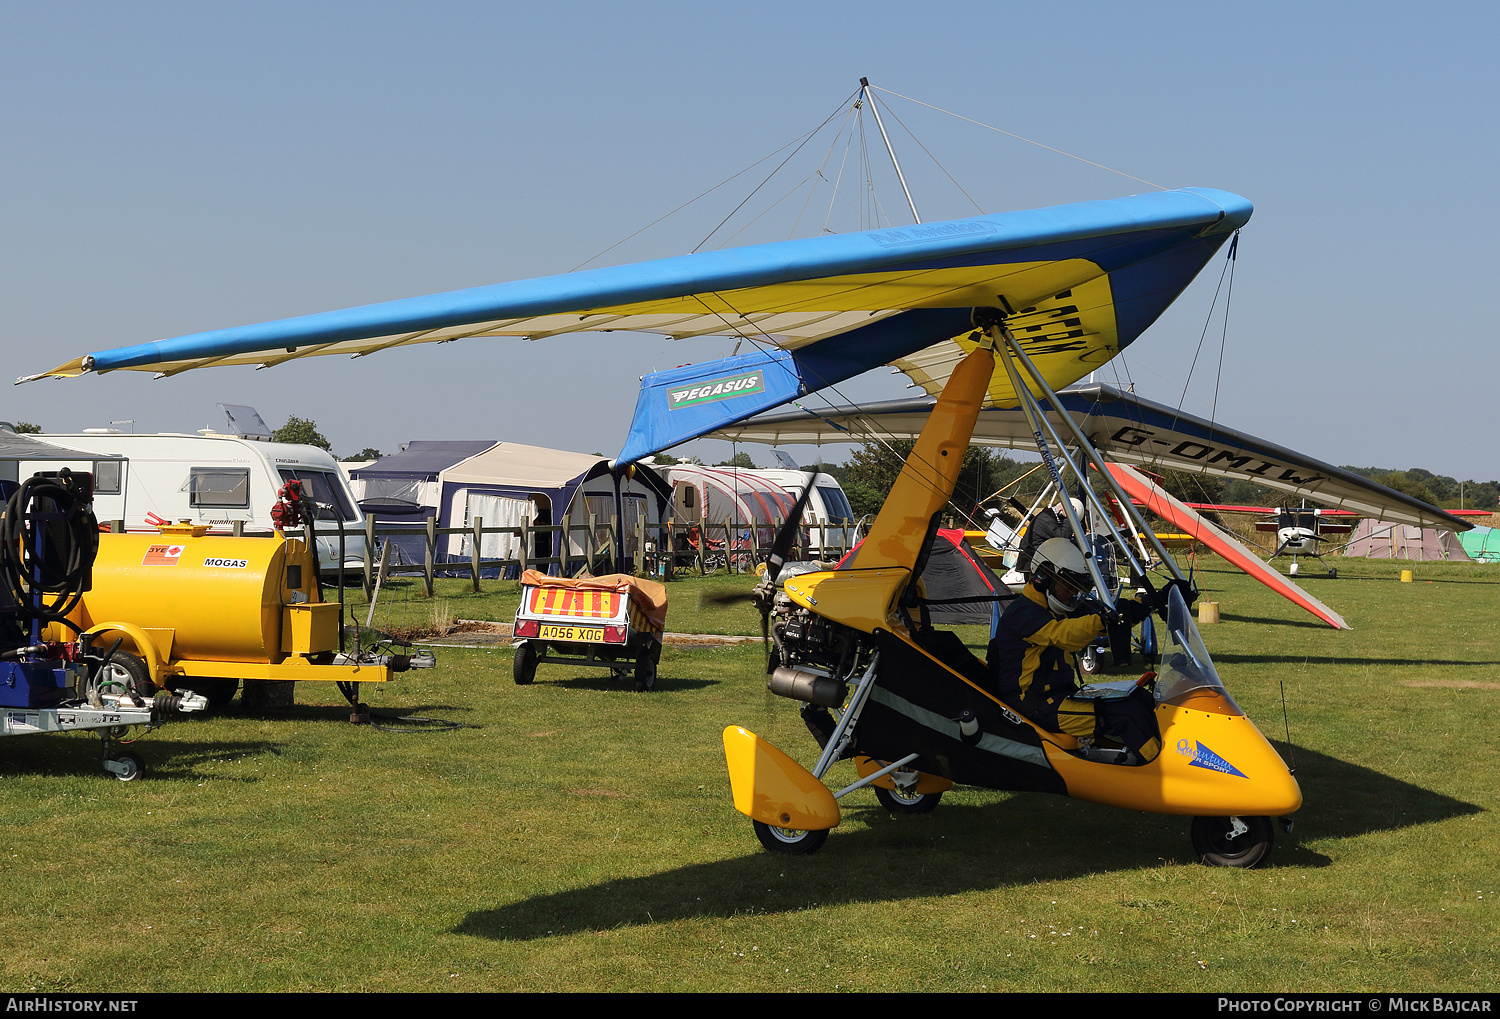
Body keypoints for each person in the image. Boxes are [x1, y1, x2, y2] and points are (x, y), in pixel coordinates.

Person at [987, 537, 1161, 761]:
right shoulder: (1023, 613)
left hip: (1059, 698)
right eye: (1069, 585)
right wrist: (1103, 620)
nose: (1073, 592)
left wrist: (1145, 606)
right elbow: (1064, 634)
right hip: (1035, 706)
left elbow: (1099, 614)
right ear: (1043, 578)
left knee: (1141, 699)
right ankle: (1161, 767)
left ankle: (1177, 756)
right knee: (1125, 714)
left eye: (1078, 586)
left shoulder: (1060, 607)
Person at [1015, 498, 1083, 579]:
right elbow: (1063, 538)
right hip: (1033, 567)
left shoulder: (1052, 519)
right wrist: (1069, 516)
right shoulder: (1045, 519)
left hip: (1041, 565)